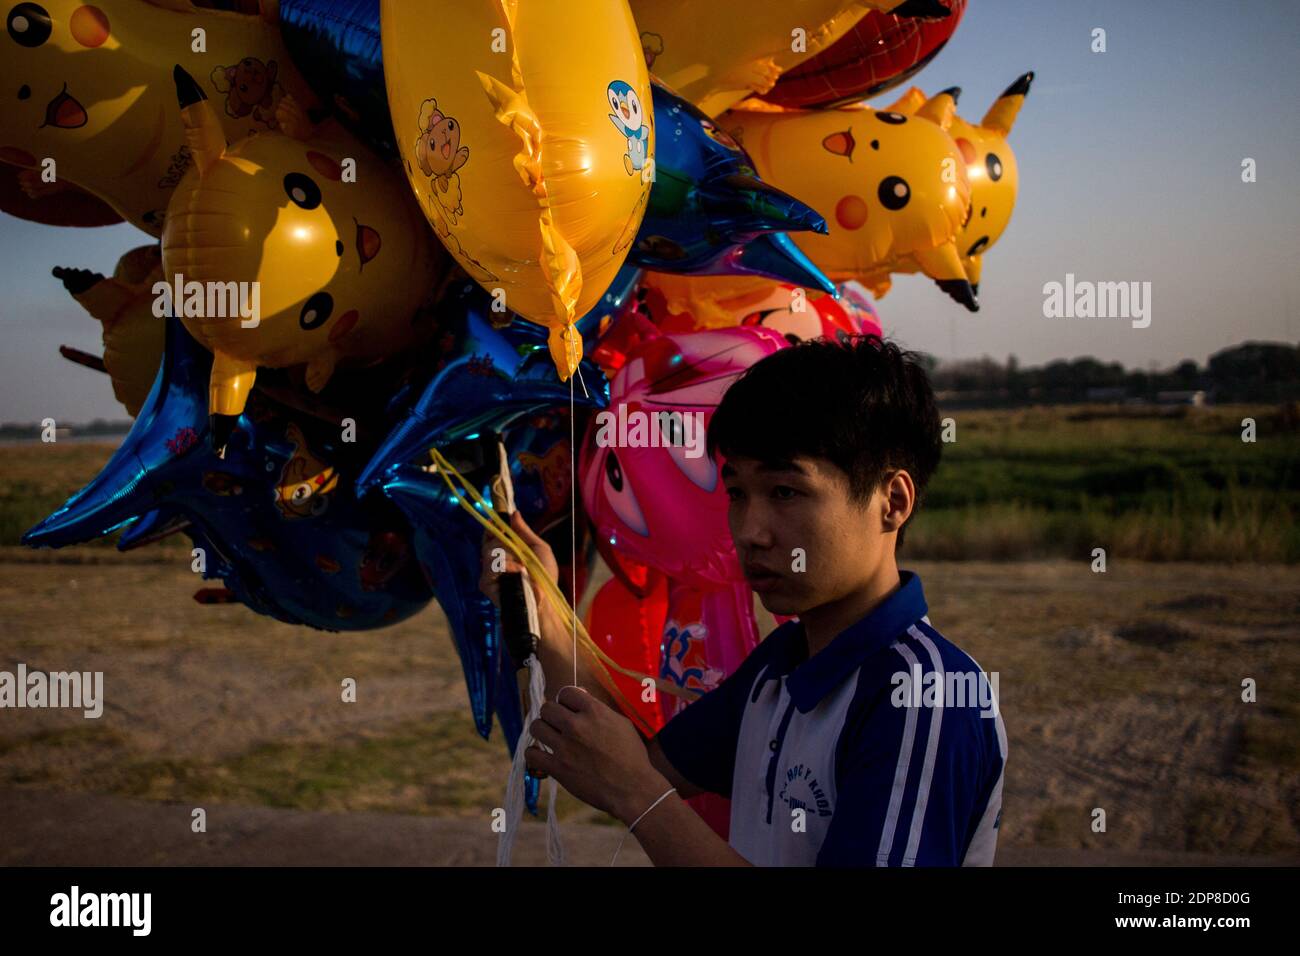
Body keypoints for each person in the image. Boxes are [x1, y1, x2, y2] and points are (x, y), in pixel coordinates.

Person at [481, 335, 1006, 866]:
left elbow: (641, 784)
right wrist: (542, 602)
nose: (750, 532)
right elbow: (647, 765)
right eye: (736, 493)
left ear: (891, 501)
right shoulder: (780, 667)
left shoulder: (925, 697)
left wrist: (639, 797)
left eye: (785, 492)